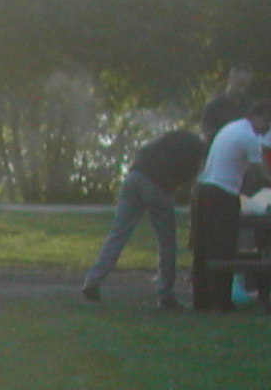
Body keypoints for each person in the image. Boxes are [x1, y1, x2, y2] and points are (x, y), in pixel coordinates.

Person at [79, 126, 204, 309]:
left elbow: (145, 150)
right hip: (156, 185)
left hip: (134, 176)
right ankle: (165, 295)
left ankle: (93, 280)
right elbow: (188, 179)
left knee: (119, 233)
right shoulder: (197, 152)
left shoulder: (174, 136)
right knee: (167, 241)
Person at [191, 101, 271, 312]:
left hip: (204, 189)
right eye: (266, 121)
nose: (267, 127)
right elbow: (259, 172)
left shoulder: (232, 127)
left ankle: (201, 301)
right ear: (255, 116)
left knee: (204, 248)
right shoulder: (249, 137)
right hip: (222, 194)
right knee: (223, 248)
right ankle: (221, 302)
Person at [200, 69, 253, 145]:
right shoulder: (213, 106)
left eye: (245, 85)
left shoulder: (250, 106)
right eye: (239, 83)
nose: (241, 89)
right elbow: (205, 135)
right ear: (230, 80)